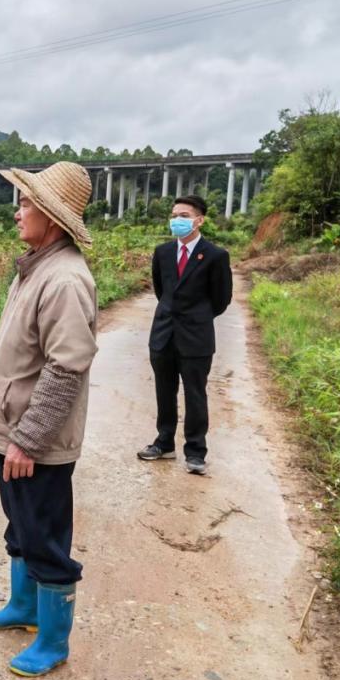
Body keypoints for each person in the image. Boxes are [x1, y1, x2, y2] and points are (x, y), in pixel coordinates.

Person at [0, 162, 98, 678]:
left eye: (25, 203)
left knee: (45, 534)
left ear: (51, 215)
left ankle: (53, 641)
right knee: (21, 524)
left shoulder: (65, 278)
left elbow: (65, 368)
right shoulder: (35, 267)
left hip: (36, 441)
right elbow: (14, 353)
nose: (18, 210)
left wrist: (27, 439)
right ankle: (23, 609)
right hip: (14, 430)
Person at [137, 194, 232, 475]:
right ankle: (164, 443)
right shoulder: (163, 252)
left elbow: (221, 299)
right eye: (174, 215)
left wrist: (197, 318)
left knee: (195, 394)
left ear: (199, 220)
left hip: (196, 337)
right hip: (164, 334)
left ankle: (195, 451)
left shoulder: (215, 255)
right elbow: (161, 290)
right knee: (164, 391)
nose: (177, 220)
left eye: (184, 216)